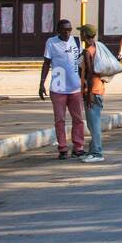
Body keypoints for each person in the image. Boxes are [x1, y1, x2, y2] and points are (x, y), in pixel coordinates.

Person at [39, 19, 84, 160]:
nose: (67, 32)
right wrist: (42, 83)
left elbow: (82, 64)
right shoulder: (51, 42)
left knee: (78, 119)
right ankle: (63, 148)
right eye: (64, 29)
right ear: (58, 30)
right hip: (58, 87)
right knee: (60, 120)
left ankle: (78, 147)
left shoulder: (76, 41)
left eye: (69, 29)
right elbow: (46, 63)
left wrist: (85, 82)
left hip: (75, 87)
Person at [77, 24, 106, 163]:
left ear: (85, 35)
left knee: (93, 124)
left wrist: (88, 92)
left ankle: (97, 153)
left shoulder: (88, 52)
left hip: (92, 91)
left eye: (81, 33)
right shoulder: (97, 47)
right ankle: (92, 150)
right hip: (98, 89)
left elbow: (89, 73)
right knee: (92, 123)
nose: (80, 35)